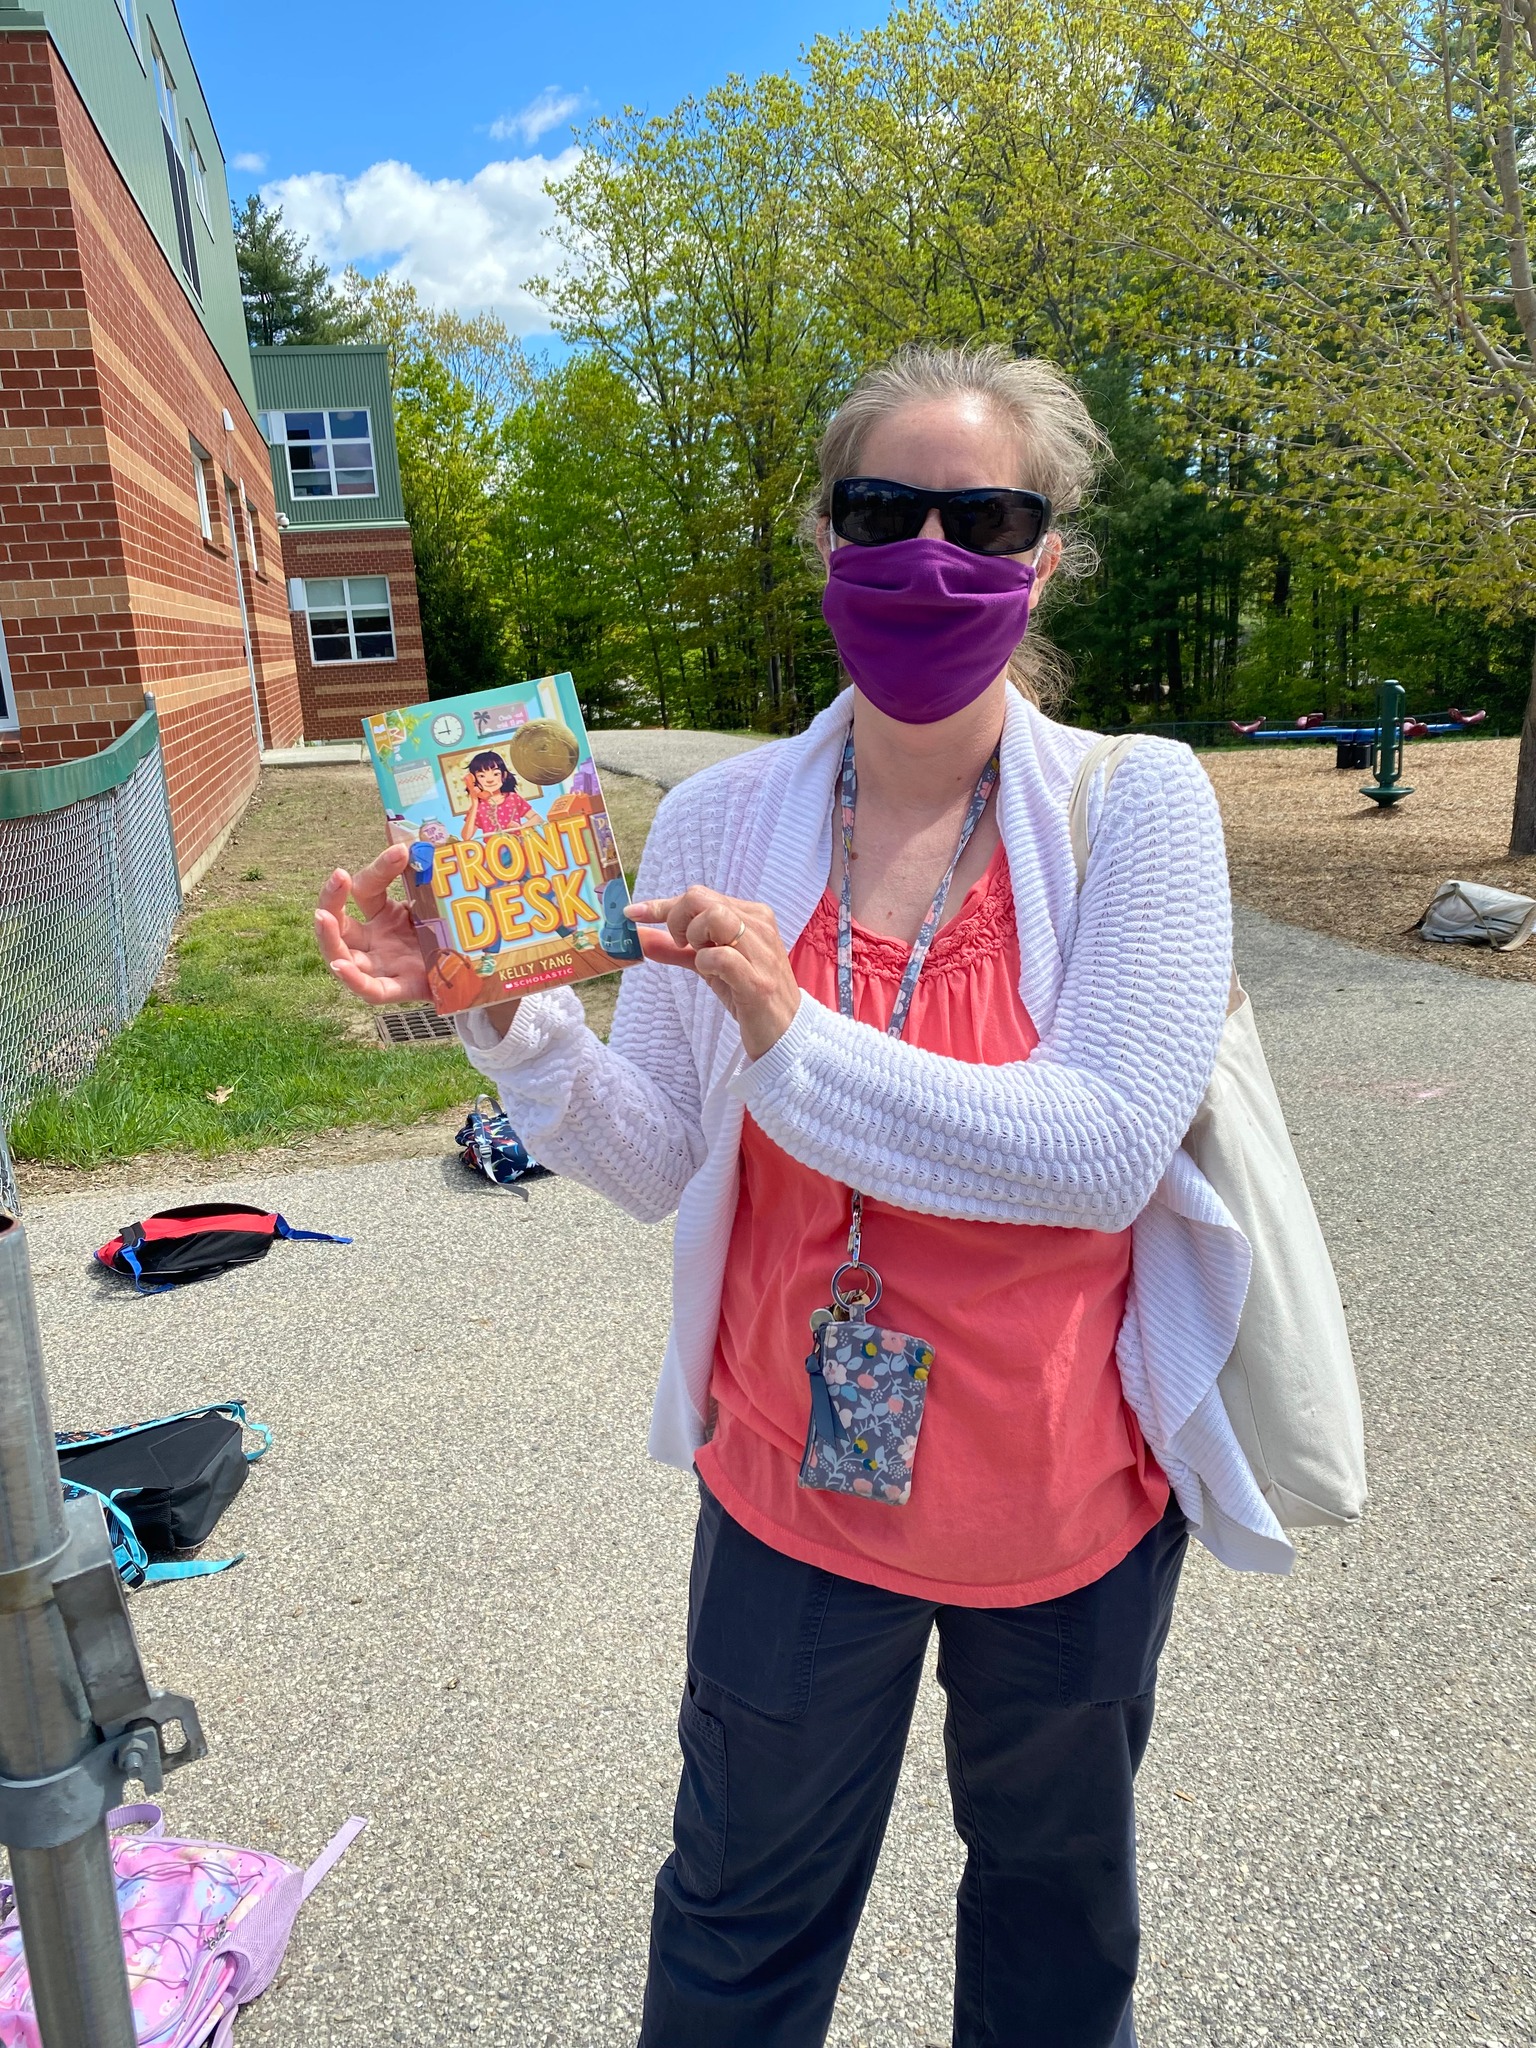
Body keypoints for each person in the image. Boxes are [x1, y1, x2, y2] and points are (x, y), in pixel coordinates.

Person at [315, 344, 1275, 2048]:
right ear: (824, 539)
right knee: (738, 1917)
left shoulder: (1141, 804)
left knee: (1056, 1925)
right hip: (789, 1486)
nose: (927, 553)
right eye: (879, 510)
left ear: (1047, 555)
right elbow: (670, 1156)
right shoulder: (726, 815)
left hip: (1064, 1507)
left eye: (984, 516)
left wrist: (792, 1035)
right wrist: (508, 1019)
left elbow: (1101, 1148)